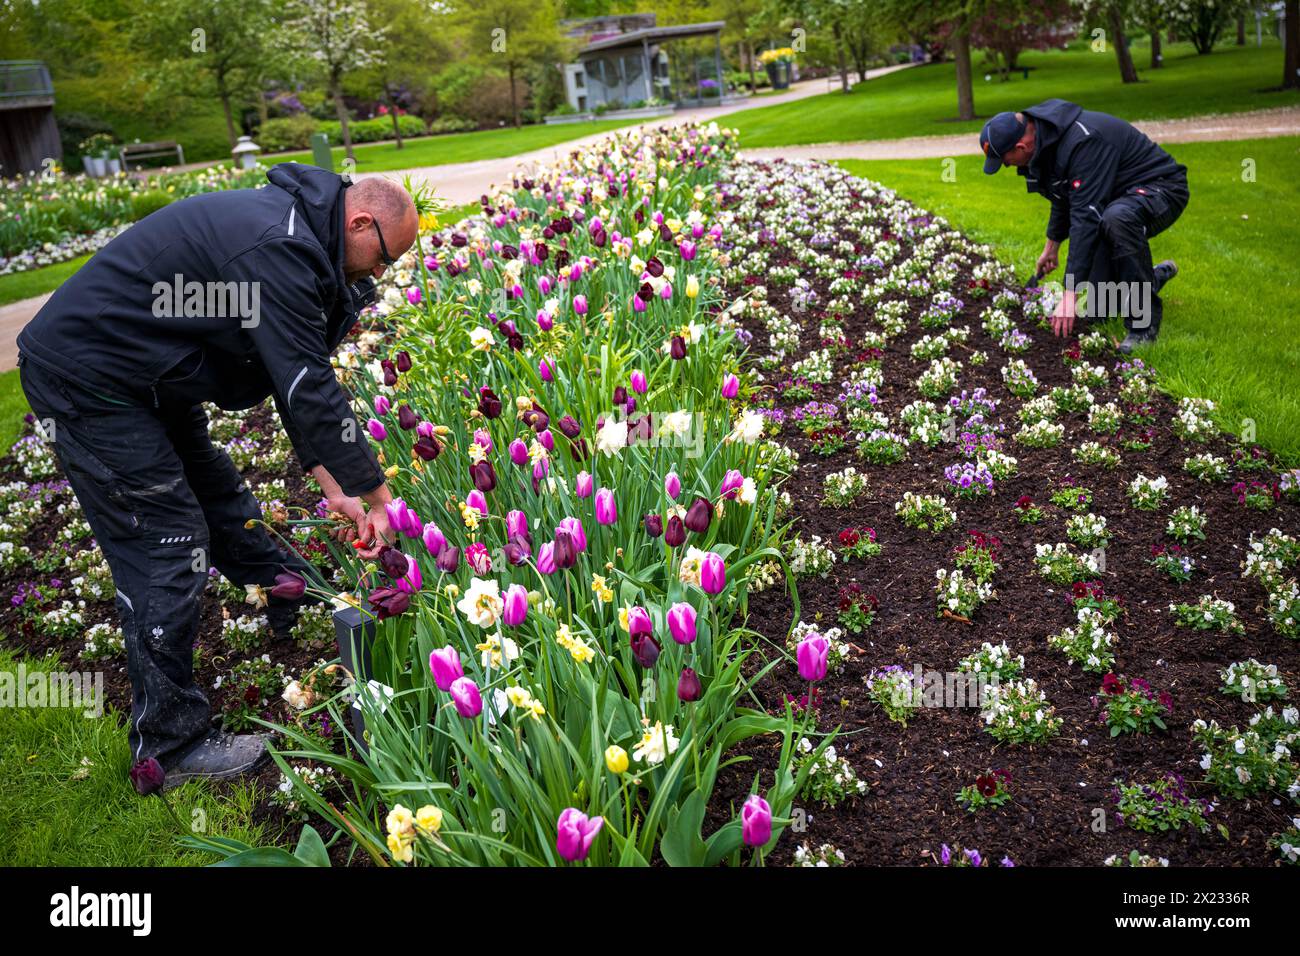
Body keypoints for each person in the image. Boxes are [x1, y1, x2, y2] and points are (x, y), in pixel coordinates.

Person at [17, 165, 417, 787]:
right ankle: (170, 748)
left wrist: (337, 493)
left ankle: (289, 599)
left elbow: (291, 381)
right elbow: (311, 388)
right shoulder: (277, 245)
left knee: (220, 497)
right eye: (384, 256)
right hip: (90, 379)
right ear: (360, 222)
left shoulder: (302, 238)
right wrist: (381, 498)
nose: (381, 272)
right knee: (167, 543)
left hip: (146, 375)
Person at [979, 99, 1188, 353]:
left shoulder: (1082, 141)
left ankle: (1143, 328)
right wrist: (1051, 246)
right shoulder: (1046, 141)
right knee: (1099, 309)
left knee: (1116, 219)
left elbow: (1086, 216)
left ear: (1021, 146)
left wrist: (1070, 293)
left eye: (1007, 161)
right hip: (1116, 198)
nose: (1009, 167)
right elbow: (1064, 197)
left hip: (1161, 189)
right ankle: (1150, 277)